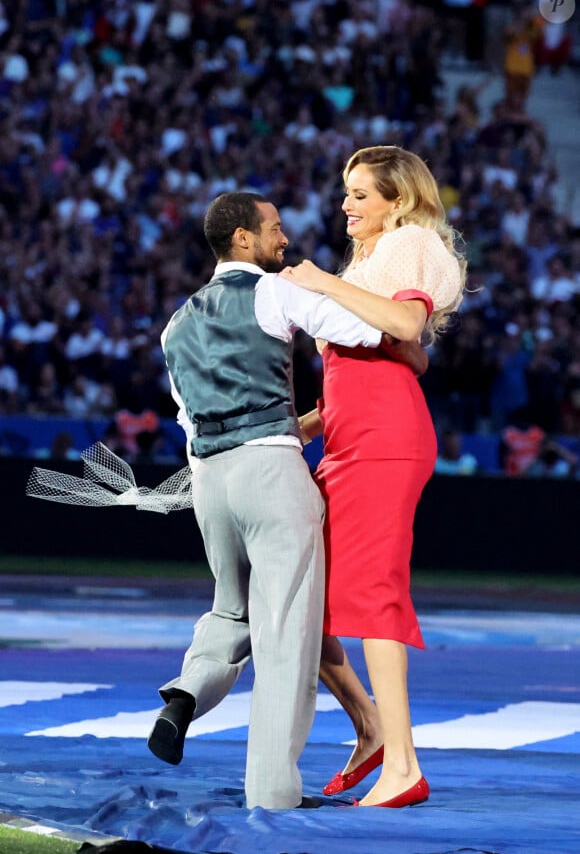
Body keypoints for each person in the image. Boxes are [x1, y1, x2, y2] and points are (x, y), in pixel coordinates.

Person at [146, 191, 427, 810]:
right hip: (272, 475)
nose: (286, 240)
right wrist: (408, 336)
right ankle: (272, 793)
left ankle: (186, 694)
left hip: (209, 482)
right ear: (243, 239)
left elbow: (187, 420)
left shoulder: (175, 324)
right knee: (286, 639)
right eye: (274, 229)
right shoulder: (275, 291)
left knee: (230, 610)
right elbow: (368, 329)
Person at [280, 145, 466, 808]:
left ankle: (404, 766)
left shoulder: (410, 241)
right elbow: (365, 370)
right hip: (348, 438)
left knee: (377, 597)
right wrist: (298, 426)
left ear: (398, 200)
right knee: (301, 591)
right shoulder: (367, 262)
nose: (346, 205)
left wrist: (320, 284)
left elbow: (407, 322)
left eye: (361, 194)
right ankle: (372, 729)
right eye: (346, 192)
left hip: (387, 442)